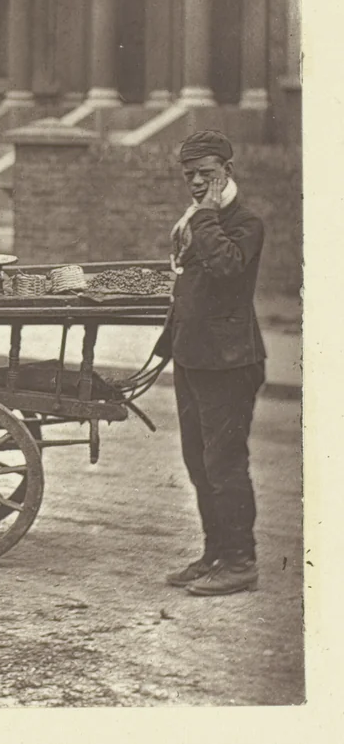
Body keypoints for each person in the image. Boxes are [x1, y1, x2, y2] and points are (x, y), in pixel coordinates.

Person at [154, 130, 266, 596]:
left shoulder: (244, 222)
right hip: (195, 357)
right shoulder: (196, 220)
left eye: (206, 174)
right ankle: (215, 552)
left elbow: (226, 268)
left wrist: (204, 216)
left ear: (228, 172)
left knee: (224, 464)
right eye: (190, 176)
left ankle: (241, 562)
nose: (197, 184)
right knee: (198, 463)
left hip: (229, 363)